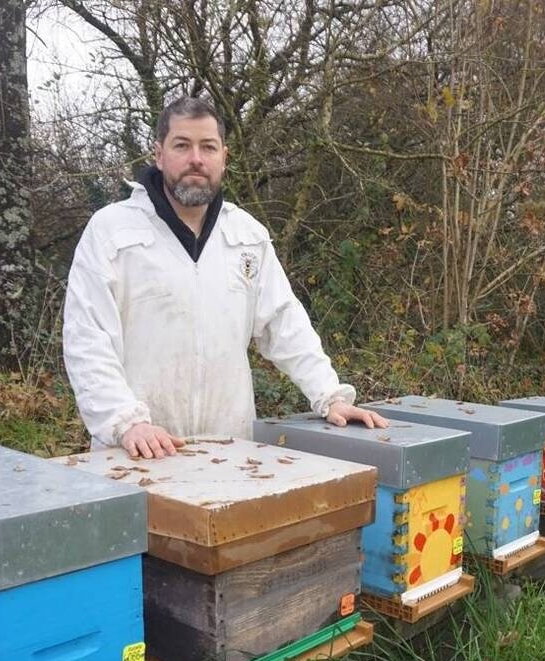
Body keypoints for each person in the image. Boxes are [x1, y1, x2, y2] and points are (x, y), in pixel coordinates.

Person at [63, 96, 387, 459]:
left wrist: (330, 396)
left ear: (224, 157)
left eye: (208, 147)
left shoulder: (247, 236)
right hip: (135, 454)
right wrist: (125, 422)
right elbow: (87, 338)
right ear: (159, 154)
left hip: (229, 454)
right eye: (182, 145)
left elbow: (285, 323)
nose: (196, 159)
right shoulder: (112, 232)